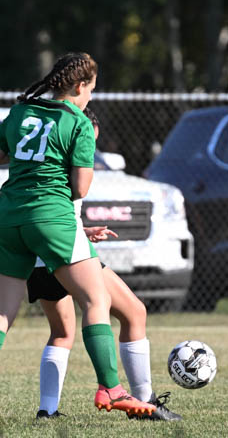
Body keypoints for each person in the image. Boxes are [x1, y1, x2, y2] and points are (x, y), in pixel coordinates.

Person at [0, 52, 158, 423]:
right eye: (91, 91)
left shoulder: (21, 112)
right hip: (51, 216)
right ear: (80, 86)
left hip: (9, 217)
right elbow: (79, 189)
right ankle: (111, 388)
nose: (90, 99)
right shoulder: (78, 122)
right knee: (95, 298)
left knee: (1, 310)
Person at [31, 108, 181, 421]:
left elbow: (48, 214)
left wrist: (83, 229)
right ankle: (143, 401)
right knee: (133, 311)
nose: (89, 148)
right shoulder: (72, 164)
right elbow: (73, 195)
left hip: (37, 253)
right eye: (88, 140)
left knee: (61, 332)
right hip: (67, 252)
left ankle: (47, 411)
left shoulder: (39, 159)